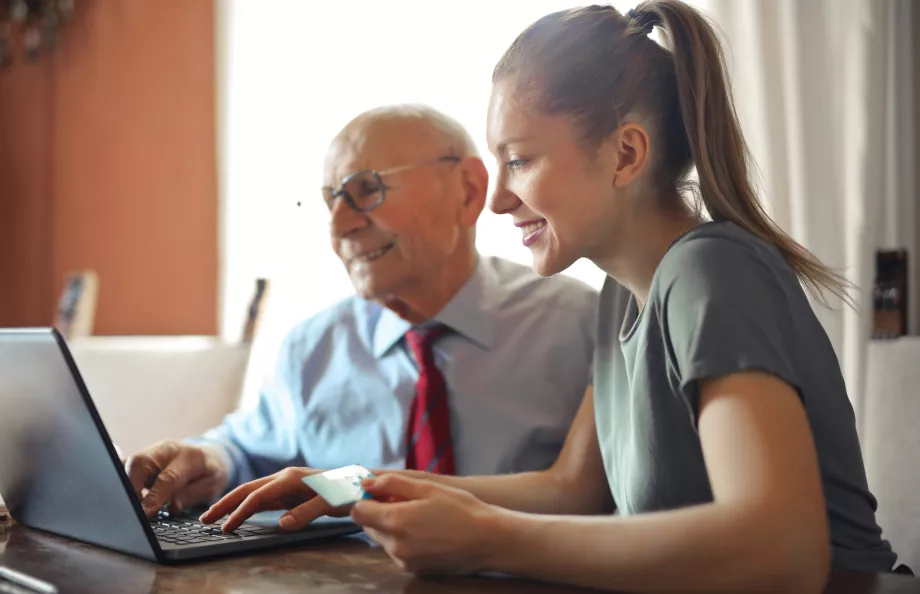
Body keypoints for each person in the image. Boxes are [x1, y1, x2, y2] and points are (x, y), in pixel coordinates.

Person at [202, 1, 905, 592]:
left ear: (626, 155)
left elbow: (782, 551)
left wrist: (487, 541)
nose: (500, 197)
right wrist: (351, 487)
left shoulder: (710, 273)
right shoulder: (621, 297)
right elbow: (573, 489)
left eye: (520, 159)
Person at [124, 105, 597, 519]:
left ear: (469, 190)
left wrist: (345, 487)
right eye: (331, 200)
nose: (339, 227)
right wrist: (208, 460)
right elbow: (248, 450)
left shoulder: (579, 325)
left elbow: (592, 497)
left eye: (365, 190)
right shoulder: (313, 346)